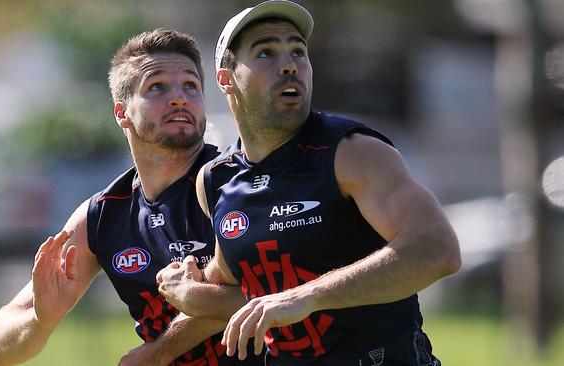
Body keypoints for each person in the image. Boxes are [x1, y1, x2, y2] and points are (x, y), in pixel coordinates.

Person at [157, 1, 462, 365]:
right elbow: (245, 288)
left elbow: (437, 249)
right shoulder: (216, 180)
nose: (289, 65)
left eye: (298, 52)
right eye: (266, 52)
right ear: (227, 79)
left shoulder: (350, 152)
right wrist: (185, 299)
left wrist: (307, 296)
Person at [0, 28, 261, 366]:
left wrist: (163, 349)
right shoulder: (103, 216)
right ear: (122, 113)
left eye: (191, 85)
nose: (179, 97)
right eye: (157, 87)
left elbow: (272, 295)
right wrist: (41, 320)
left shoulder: (239, 183)